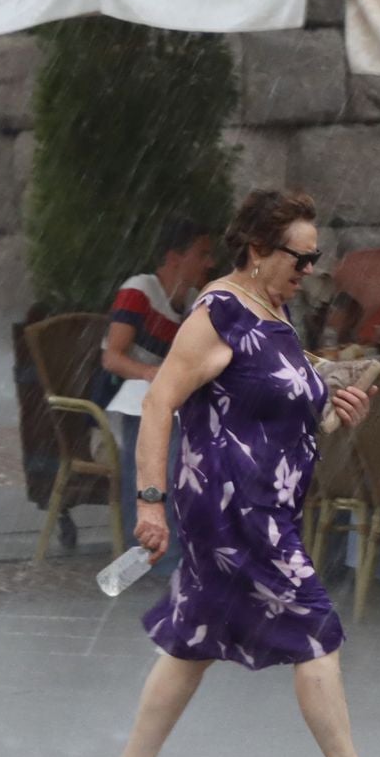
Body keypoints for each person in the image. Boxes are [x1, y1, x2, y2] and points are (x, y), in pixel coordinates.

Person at [92, 189, 380, 757]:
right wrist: (149, 499)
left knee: (193, 638)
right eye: (297, 259)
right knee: (315, 627)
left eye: (314, 260)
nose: (308, 272)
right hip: (232, 508)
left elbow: (276, 404)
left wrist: (336, 405)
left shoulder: (269, 312)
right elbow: (159, 402)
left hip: (261, 503)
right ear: (255, 250)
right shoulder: (219, 313)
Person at [103, 217, 216, 572]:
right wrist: (152, 374)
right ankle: (160, 556)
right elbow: (112, 357)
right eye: (202, 254)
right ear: (174, 258)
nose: (210, 263)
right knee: (163, 458)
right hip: (130, 402)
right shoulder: (139, 291)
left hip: (175, 404)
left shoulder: (197, 303)